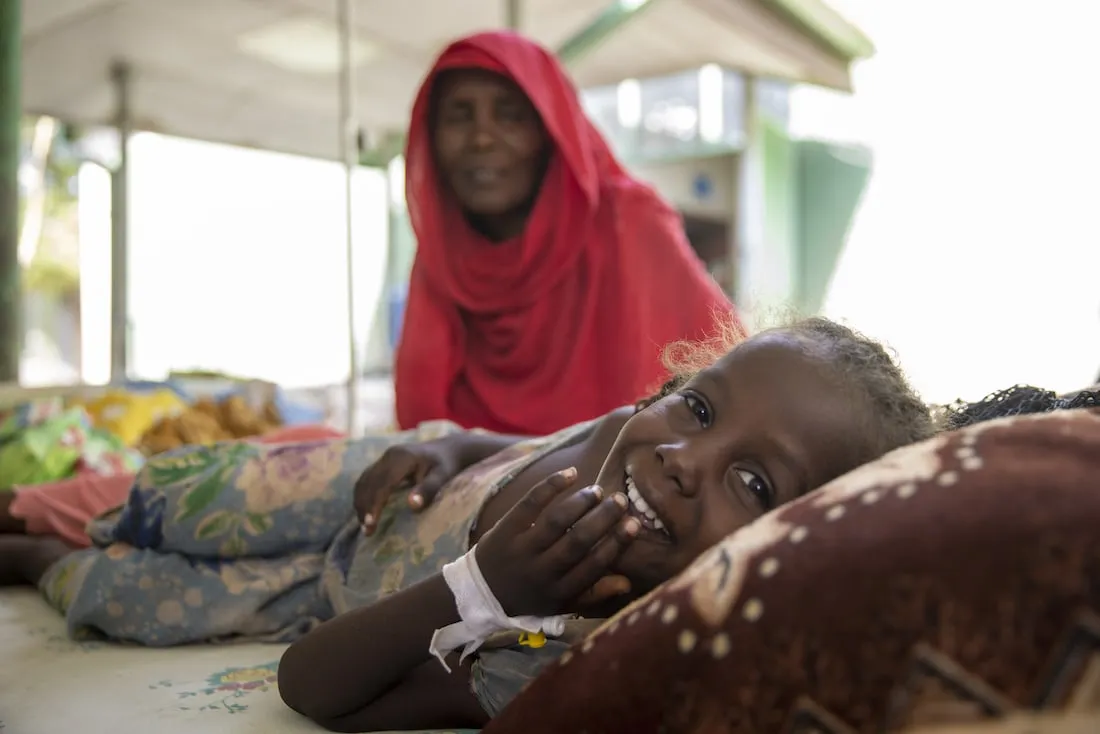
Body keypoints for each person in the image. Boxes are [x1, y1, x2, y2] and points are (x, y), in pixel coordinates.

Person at [277, 316, 936, 732]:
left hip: (321, 592)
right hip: (391, 484)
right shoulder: (626, 434)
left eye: (755, 484)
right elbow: (530, 447)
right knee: (174, 494)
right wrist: (451, 447)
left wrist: (480, 592)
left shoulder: (568, 653)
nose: (682, 457)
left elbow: (310, 685)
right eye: (700, 409)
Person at [395, 30, 737, 436]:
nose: (482, 139)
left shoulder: (627, 222)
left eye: (510, 114)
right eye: (458, 116)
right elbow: (421, 431)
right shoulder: (444, 256)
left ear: (551, 130)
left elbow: (733, 379)